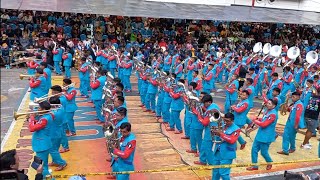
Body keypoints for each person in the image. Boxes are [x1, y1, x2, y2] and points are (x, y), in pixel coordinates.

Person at [246, 99, 278, 171]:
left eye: (269, 104)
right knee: (254, 150)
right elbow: (264, 119)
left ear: (274, 106)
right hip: (260, 134)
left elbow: (264, 124)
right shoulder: (267, 111)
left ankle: (269, 162)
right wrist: (259, 119)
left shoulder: (273, 114)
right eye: (267, 103)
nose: (267, 104)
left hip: (266, 136)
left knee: (263, 152)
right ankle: (255, 165)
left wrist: (255, 120)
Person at [211, 112, 240, 180]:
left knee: (223, 173)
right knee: (215, 171)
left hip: (227, 154)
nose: (226, 122)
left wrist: (220, 134)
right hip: (218, 151)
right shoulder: (222, 126)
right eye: (225, 120)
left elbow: (232, 140)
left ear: (232, 121)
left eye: (228, 121)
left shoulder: (236, 129)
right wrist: (215, 132)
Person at [28, 101, 53, 177]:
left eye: (39, 108)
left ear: (44, 109)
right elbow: (38, 124)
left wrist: (32, 118)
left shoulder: (44, 119)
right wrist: (33, 118)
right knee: (44, 165)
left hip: (42, 144)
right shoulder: (47, 115)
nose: (37, 109)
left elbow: (32, 128)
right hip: (43, 143)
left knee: (41, 167)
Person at [48, 97, 68, 170]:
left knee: (52, 150)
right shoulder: (61, 108)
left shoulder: (54, 113)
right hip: (58, 131)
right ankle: (55, 161)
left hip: (54, 133)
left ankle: (62, 163)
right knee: (55, 149)